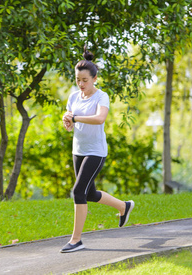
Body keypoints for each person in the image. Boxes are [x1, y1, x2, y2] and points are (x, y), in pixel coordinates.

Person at [60, 46, 135, 253]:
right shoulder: (74, 97)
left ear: (94, 78)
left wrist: (74, 117)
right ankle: (123, 206)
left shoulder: (102, 97)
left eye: (85, 80)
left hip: (96, 151)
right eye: (77, 80)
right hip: (79, 149)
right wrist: (68, 121)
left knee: (77, 191)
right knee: (89, 193)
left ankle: (76, 240)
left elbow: (100, 118)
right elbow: (69, 118)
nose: (81, 84)